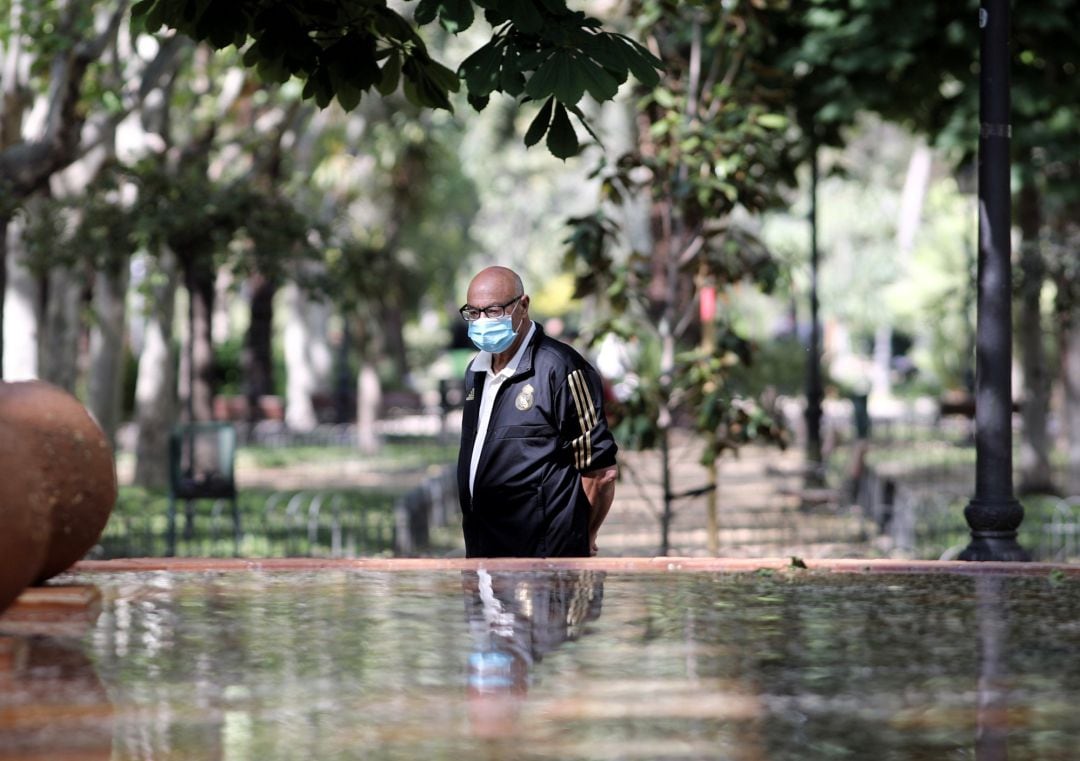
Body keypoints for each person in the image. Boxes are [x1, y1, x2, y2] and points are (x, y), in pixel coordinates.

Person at [456, 266, 618, 557]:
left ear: (523, 305)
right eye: (473, 313)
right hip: (483, 556)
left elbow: (600, 471)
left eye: (493, 311)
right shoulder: (476, 371)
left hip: (546, 569)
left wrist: (582, 537)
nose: (482, 322)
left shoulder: (561, 368)